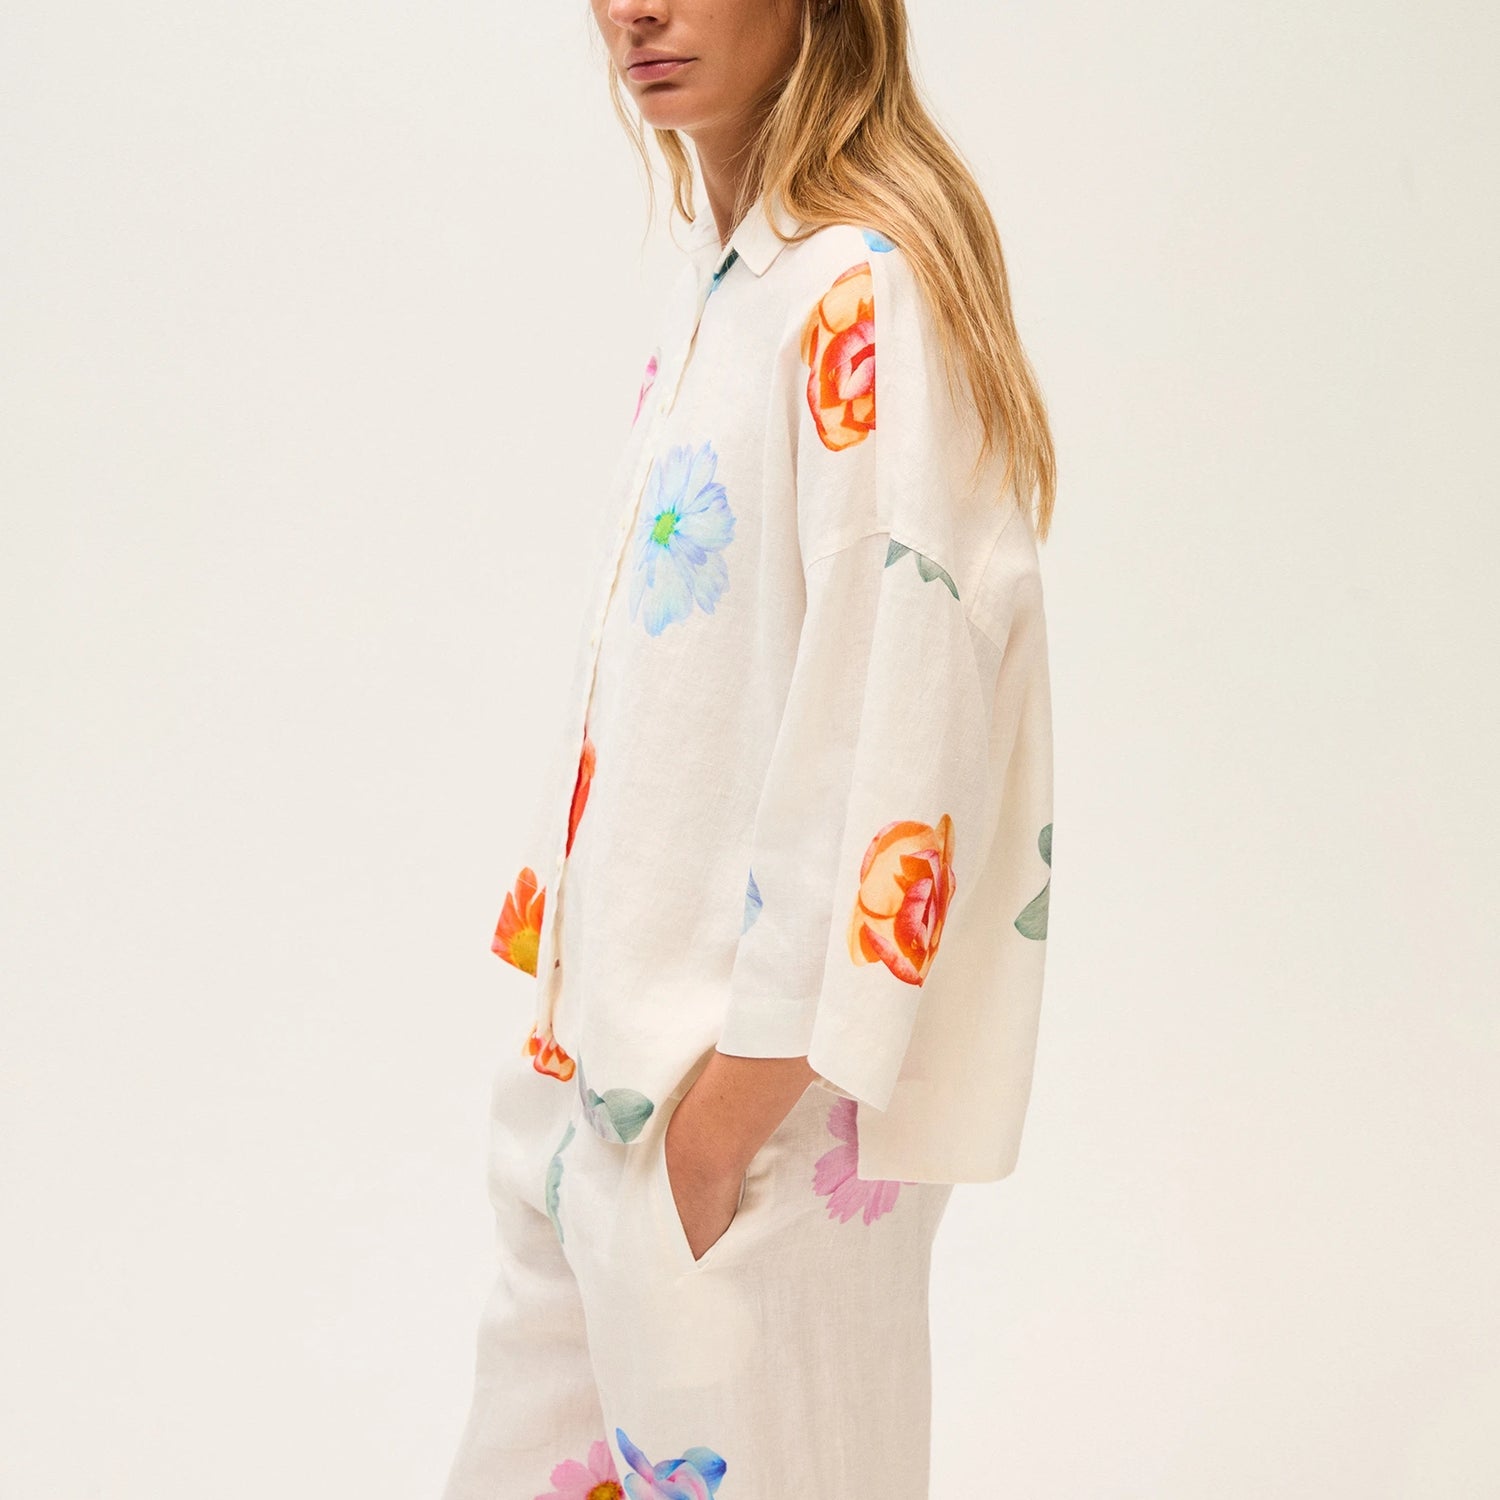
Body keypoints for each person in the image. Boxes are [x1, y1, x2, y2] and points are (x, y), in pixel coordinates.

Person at [441, 0, 1057, 1494]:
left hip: (745, 1129)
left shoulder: (862, 289)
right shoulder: (728, 289)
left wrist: (721, 1134)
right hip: (598, 1096)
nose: (634, 11)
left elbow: (896, 724)